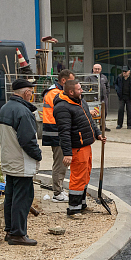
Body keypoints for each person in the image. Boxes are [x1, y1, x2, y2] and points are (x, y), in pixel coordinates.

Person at [0, 79, 42, 246]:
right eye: (32, 91)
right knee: (22, 198)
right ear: (27, 93)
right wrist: (38, 155)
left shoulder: (4, 109)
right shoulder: (23, 111)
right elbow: (28, 140)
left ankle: (10, 231)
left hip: (8, 161)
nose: (33, 95)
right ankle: (18, 234)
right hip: (21, 163)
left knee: (10, 197)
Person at [54, 79, 105, 216]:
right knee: (77, 178)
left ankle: (82, 204)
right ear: (71, 92)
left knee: (85, 175)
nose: (81, 90)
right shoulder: (63, 108)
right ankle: (73, 209)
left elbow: (89, 121)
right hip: (77, 148)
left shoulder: (81, 102)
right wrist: (67, 153)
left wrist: (98, 134)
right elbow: (64, 132)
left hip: (86, 146)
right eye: (79, 89)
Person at [41, 69, 74, 202]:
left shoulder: (56, 91)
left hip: (57, 131)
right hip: (56, 132)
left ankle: (59, 189)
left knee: (62, 163)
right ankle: (57, 193)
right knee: (60, 163)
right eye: (71, 81)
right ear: (64, 80)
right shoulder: (55, 93)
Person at [85, 63, 110, 131]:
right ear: (93, 69)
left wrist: (107, 94)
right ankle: (94, 127)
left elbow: (107, 86)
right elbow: (86, 87)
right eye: (96, 69)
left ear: (101, 69)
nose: (97, 70)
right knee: (95, 113)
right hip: (94, 98)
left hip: (104, 98)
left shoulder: (104, 77)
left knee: (104, 112)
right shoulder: (89, 77)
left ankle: (103, 126)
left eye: (98, 69)